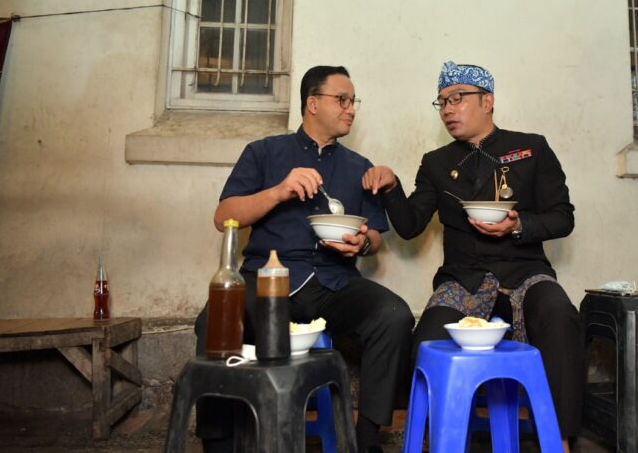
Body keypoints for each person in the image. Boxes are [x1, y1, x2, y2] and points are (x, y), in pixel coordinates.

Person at [362, 61, 585, 451]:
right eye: (442, 102)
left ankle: (561, 441)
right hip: (462, 278)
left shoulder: (531, 148)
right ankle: (441, 441)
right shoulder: (436, 162)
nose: (448, 109)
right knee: (428, 340)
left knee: (559, 314)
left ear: (488, 101)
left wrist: (518, 225)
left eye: (457, 99)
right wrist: (392, 186)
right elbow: (412, 224)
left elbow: (562, 217)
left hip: (525, 272)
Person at [195, 65, 415, 453]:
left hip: (334, 281)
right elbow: (223, 216)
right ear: (312, 103)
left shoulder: (359, 167)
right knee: (213, 319)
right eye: (342, 100)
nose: (351, 109)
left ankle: (366, 439)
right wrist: (278, 191)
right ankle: (219, 443)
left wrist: (361, 244)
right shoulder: (263, 152)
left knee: (393, 314)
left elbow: (376, 237)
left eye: (353, 101)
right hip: (266, 279)